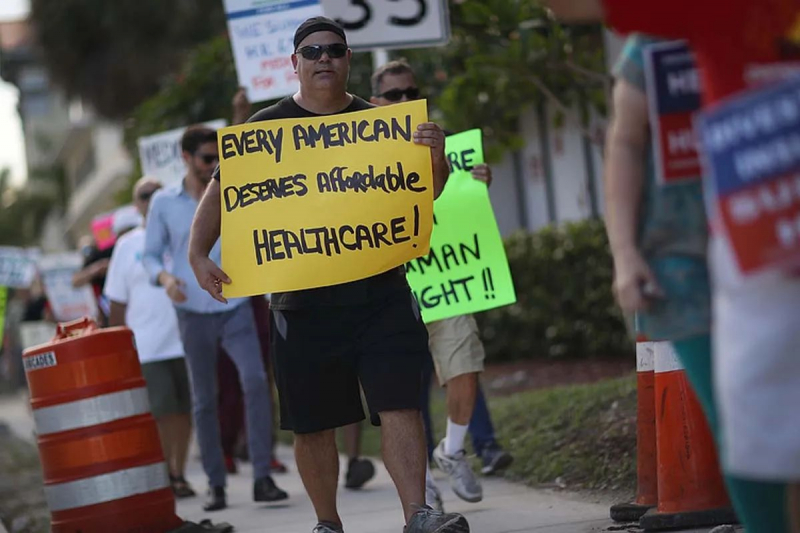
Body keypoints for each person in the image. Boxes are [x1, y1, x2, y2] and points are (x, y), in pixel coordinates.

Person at [188, 16, 469, 533]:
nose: (324, 59)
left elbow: (424, 196)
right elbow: (220, 193)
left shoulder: (384, 123)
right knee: (312, 424)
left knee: (400, 404)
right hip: (301, 304)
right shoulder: (261, 130)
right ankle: (327, 523)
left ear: (348, 60)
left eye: (334, 50)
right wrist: (198, 253)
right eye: (312, 51)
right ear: (294, 63)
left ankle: (418, 516)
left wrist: (437, 160)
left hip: (382, 294)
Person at [543, 2, 800, 531]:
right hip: (687, 263)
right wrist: (625, 253)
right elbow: (626, 142)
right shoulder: (656, 40)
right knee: (742, 422)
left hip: (780, 240)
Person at [370, 59, 514, 510]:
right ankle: (422, 485)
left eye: (410, 92)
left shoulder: (443, 141)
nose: (404, 101)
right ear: (375, 102)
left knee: (465, 365)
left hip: (445, 280)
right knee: (403, 392)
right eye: (393, 95)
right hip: (394, 288)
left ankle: (451, 451)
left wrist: (477, 185)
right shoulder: (360, 150)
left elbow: (451, 199)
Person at [144, 126, 287, 511]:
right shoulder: (163, 202)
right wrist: (166, 278)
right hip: (192, 311)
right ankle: (216, 483)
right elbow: (151, 255)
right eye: (208, 159)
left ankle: (262, 476)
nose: (214, 167)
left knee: (256, 382)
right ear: (187, 158)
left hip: (235, 302)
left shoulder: (234, 189)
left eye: (218, 159)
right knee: (204, 398)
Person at [104, 177, 196, 499]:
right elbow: (117, 302)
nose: (151, 200)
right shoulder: (127, 245)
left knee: (185, 412)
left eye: (157, 193)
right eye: (145, 195)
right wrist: (118, 350)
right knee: (161, 413)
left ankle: (178, 474)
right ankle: (164, 475)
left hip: (187, 339)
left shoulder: (185, 231)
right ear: (136, 204)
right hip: (147, 347)